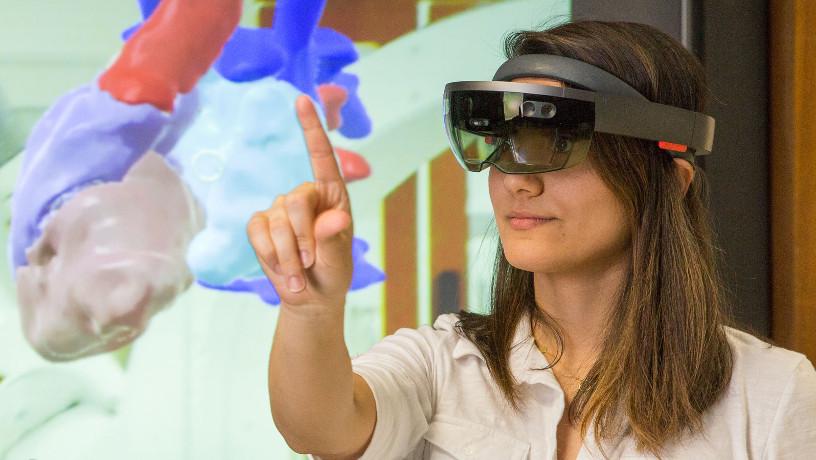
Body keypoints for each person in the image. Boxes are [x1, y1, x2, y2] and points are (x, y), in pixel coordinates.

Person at [251, 21, 816, 459]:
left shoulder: (770, 394)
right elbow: (321, 426)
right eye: (501, 142)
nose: (517, 179)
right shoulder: (445, 364)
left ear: (668, 179)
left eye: (555, 140)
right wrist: (309, 308)